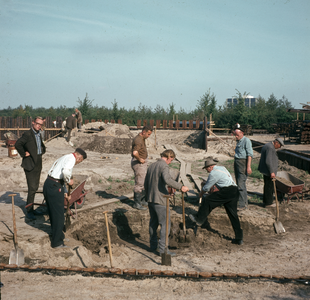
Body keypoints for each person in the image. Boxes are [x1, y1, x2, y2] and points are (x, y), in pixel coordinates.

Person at [189, 157, 243, 245]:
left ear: (210, 167)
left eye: (206, 168)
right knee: (233, 215)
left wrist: (201, 193)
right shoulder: (222, 168)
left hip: (227, 191)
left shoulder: (213, 173)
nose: (206, 170)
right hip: (234, 191)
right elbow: (220, 181)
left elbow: (206, 188)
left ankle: (199, 219)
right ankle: (239, 238)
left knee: (207, 200)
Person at [144, 149, 189, 256]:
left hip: (151, 199)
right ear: (169, 157)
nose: (170, 162)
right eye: (171, 160)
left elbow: (146, 183)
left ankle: (153, 246)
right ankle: (164, 250)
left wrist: (148, 196)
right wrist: (180, 187)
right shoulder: (163, 166)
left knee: (153, 223)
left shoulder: (151, 166)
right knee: (165, 225)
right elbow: (167, 180)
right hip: (160, 200)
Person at [43, 148, 87, 248]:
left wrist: (66, 192)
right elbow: (66, 172)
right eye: (80, 161)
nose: (78, 163)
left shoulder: (65, 157)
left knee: (54, 213)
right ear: (79, 157)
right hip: (54, 187)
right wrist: (69, 180)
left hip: (50, 184)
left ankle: (59, 236)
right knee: (59, 215)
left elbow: (59, 176)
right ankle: (57, 243)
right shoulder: (71, 159)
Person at [15, 116, 46, 220]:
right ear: (33, 123)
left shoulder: (38, 133)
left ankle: (31, 208)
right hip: (30, 164)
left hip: (38, 162)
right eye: (37, 123)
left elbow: (39, 145)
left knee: (35, 187)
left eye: (40, 124)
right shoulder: (28, 134)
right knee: (32, 188)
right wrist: (24, 154)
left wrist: (42, 150)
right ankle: (29, 211)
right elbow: (18, 144)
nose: (39, 126)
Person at [131, 125, 153, 210]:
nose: (149, 136)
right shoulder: (138, 140)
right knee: (139, 184)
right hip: (139, 164)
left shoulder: (141, 138)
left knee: (143, 182)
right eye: (148, 134)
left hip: (141, 163)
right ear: (144, 132)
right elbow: (135, 153)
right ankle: (137, 203)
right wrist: (140, 159)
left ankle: (142, 200)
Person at [258, 138, 284, 207]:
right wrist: (272, 172)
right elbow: (268, 161)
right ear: (276, 143)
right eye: (280, 145)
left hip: (266, 170)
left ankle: (266, 201)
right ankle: (269, 203)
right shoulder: (270, 147)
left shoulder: (268, 145)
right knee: (269, 187)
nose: (280, 147)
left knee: (267, 186)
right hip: (268, 171)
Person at [233, 123, 253, 210]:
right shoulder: (239, 141)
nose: (236, 137)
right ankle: (244, 203)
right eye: (235, 135)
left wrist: (248, 167)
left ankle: (242, 205)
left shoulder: (246, 141)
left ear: (242, 133)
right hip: (237, 163)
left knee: (241, 184)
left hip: (243, 164)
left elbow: (249, 155)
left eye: (237, 135)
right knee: (239, 184)